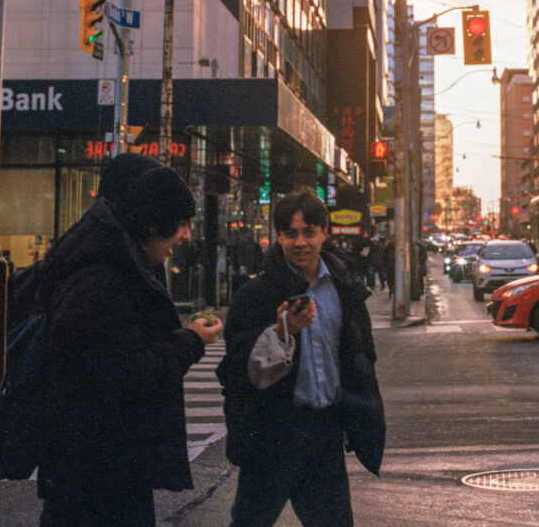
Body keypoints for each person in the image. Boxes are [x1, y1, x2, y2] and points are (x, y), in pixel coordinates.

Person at [37, 165, 223, 527]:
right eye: (181, 223)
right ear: (153, 225)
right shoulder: (105, 282)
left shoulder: (108, 265)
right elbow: (126, 373)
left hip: (100, 469)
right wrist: (191, 341)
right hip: (100, 475)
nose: (185, 236)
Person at [219, 189, 384, 527]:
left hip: (325, 432)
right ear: (277, 235)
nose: (300, 243)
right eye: (290, 233)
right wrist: (281, 332)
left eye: (309, 232)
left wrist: (357, 410)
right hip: (272, 434)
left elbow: (361, 351)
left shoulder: (343, 287)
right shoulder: (255, 295)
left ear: (325, 232)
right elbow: (236, 369)